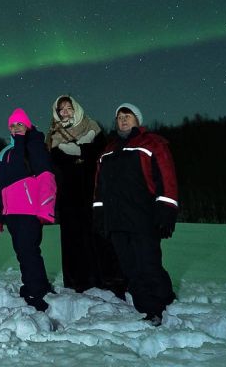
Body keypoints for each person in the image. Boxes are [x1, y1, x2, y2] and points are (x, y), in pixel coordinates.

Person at [93, 102, 179, 326]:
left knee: (148, 263)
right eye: (119, 117)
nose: (123, 120)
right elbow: (99, 186)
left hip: (143, 217)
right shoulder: (108, 150)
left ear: (137, 120)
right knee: (130, 266)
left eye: (128, 116)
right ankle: (146, 307)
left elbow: (166, 177)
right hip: (116, 220)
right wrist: (99, 212)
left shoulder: (152, 143)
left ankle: (161, 303)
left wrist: (167, 209)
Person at [45, 94, 118, 294]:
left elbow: (100, 153)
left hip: (93, 191)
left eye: (69, 108)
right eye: (61, 110)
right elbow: (57, 162)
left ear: (76, 109)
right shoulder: (53, 137)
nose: (65, 112)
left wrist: (80, 151)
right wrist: (78, 153)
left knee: (97, 236)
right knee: (72, 239)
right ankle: (77, 281)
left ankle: (103, 279)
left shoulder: (92, 128)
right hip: (69, 195)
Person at [0, 107, 55, 311]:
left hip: (29, 211)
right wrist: (0, 213)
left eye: (20, 124)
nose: (16, 128)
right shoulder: (5, 152)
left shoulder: (34, 145)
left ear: (28, 126)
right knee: (22, 252)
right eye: (12, 125)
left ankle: (37, 291)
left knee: (29, 251)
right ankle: (34, 284)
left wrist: (46, 209)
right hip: (12, 212)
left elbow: (46, 178)